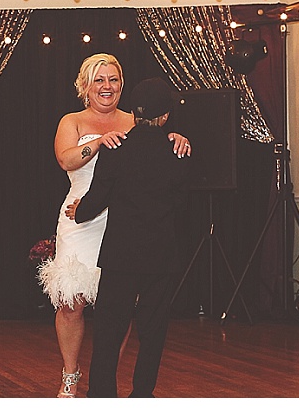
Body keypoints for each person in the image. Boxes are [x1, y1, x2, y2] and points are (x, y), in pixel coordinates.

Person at [37, 56, 190, 398]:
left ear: (122, 85)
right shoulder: (72, 121)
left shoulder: (135, 119)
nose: (107, 86)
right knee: (72, 302)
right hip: (81, 213)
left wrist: (175, 137)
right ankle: (71, 375)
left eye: (113, 79)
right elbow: (65, 159)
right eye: (99, 80)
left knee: (119, 309)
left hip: (123, 222)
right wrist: (99, 142)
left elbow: (153, 146)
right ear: (85, 86)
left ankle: (106, 385)